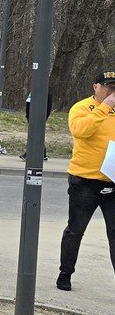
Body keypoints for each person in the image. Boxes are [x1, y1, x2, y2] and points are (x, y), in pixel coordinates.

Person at [56, 71, 115, 292]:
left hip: (112, 180)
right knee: (75, 230)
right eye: (107, 86)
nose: (111, 91)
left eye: (114, 87)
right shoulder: (81, 108)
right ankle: (65, 273)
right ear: (95, 87)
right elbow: (81, 131)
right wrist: (104, 107)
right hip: (84, 181)